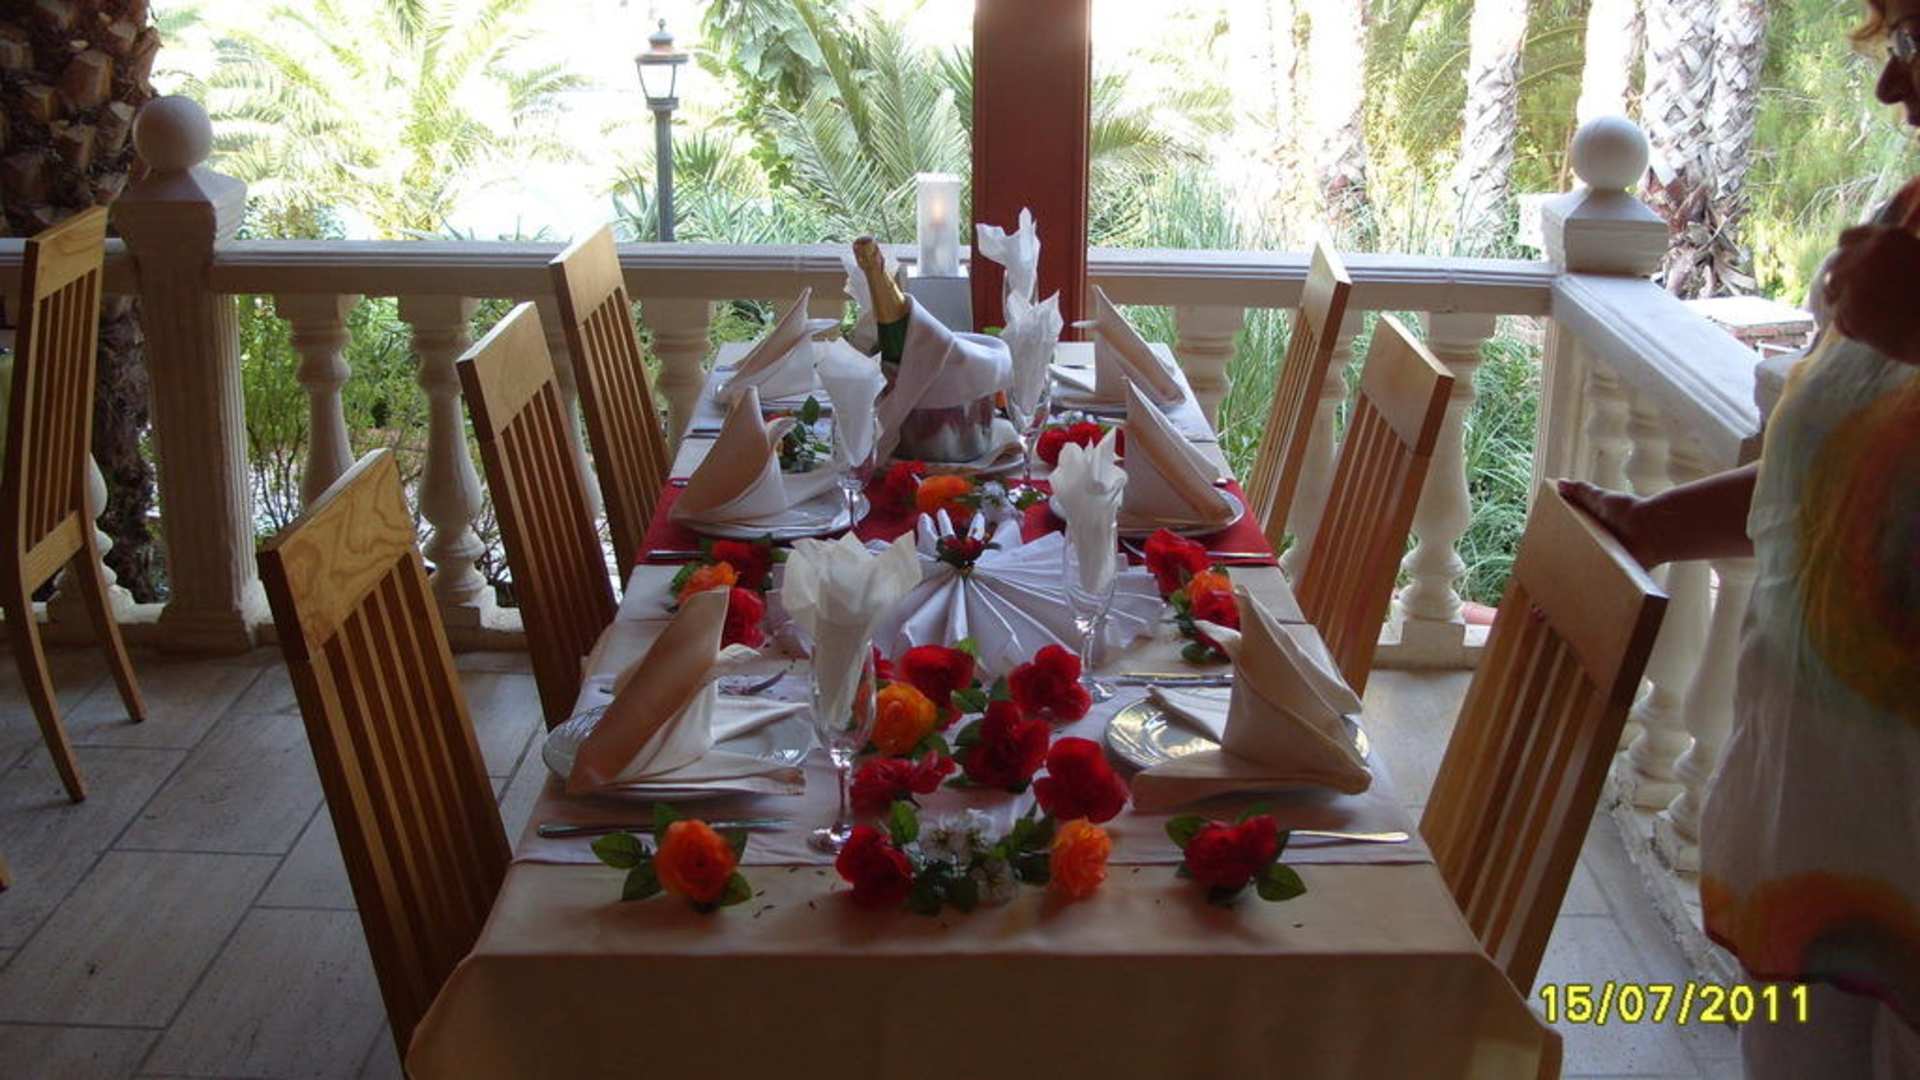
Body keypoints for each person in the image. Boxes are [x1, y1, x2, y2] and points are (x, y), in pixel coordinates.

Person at [1560, 4, 1920, 1075]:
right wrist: (1650, 524)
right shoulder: (1903, 228)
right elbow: (1832, 476)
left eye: (1913, 46)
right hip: (1815, 833)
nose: (1891, 85)